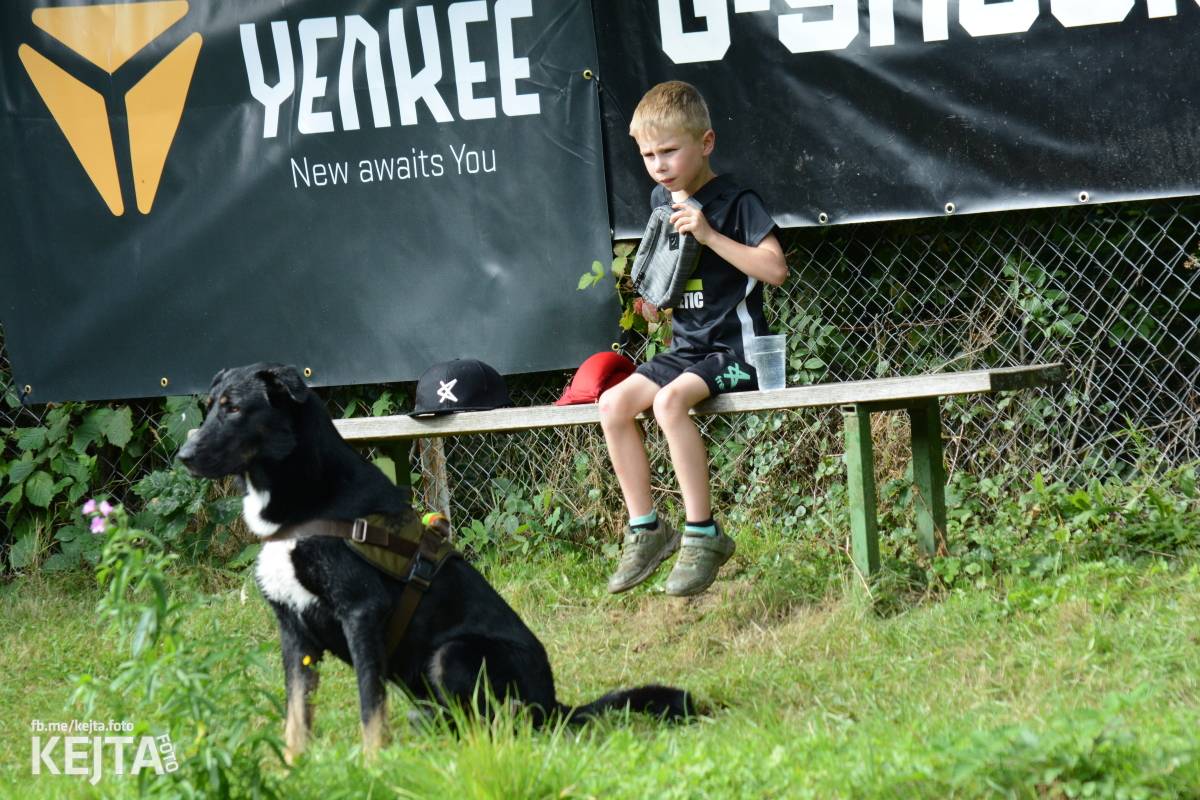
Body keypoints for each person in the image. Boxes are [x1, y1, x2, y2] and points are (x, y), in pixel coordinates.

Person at [599, 81, 788, 597]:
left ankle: (702, 534)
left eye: (669, 151)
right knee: (613, 404)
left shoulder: (736, 201)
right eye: (648, 155)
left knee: (669, 402)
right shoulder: (662, 198)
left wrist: (708, 235)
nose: (658, 165)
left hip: (737, 353)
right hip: (686, 350)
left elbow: (774, 270)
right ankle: (647, 529)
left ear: (705, 143)